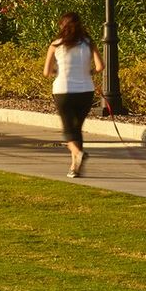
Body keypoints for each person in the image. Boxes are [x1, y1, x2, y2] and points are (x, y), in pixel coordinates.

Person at [43, 11, 102, 177]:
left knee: (69, 130)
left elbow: (46, 72)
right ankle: (74, 168)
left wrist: (58, 71)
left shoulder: (55, 45)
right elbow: (100, 67)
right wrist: (88, 71)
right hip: (86, 90)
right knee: (76, 129)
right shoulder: (89, 43)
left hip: (64, 90)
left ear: (62, 26)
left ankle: (79, 154)